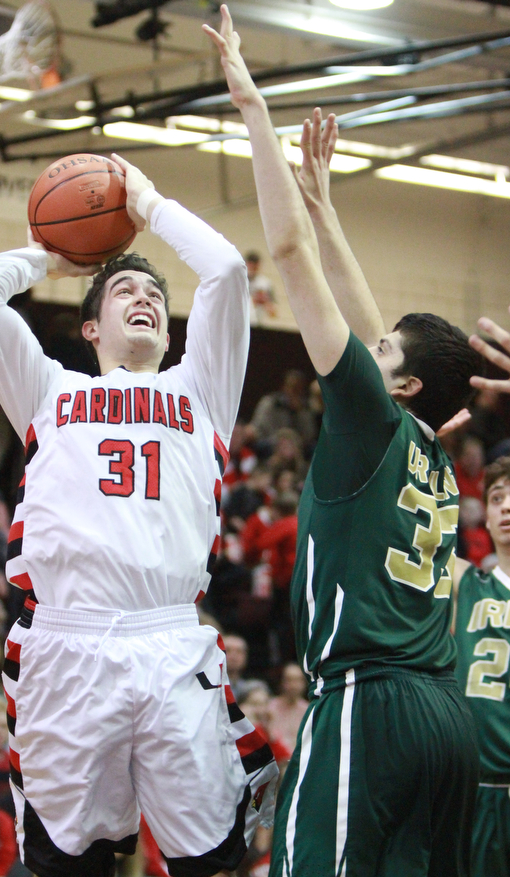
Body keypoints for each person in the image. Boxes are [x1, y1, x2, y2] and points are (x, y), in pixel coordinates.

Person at [204, 7, 481, 876]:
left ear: (396, 386)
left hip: (368, 702)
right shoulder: (429, 445)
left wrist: (251, 104)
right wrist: (330, 209)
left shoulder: (372, 418)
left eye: (383, 354)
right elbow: (384, 330)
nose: (367, 350)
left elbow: (280, 254)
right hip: (445, 718)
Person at [0, 153, 278, 877]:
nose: (145, 298)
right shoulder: (47, 389)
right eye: (123, 289)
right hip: (65, 642)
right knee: (69, 864)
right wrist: (52, 259)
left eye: (155, 293)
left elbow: (223, 270)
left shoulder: (201, 390)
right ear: (91, 329)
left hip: (168, 641)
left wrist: (151, 205)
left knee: (208, 858)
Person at [452, 456, 510, 877]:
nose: (506, 505)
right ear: (485, 518)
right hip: (476, 790)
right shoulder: (464, 584)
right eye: (496, 497)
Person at [245, 251, 276, 326]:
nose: (252, 269)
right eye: (251, 266)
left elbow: (273, 313)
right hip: (241, 324)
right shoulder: (239, 281)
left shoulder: (265, 284)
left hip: (257, 323)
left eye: (255, 267)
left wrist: (265, 301)